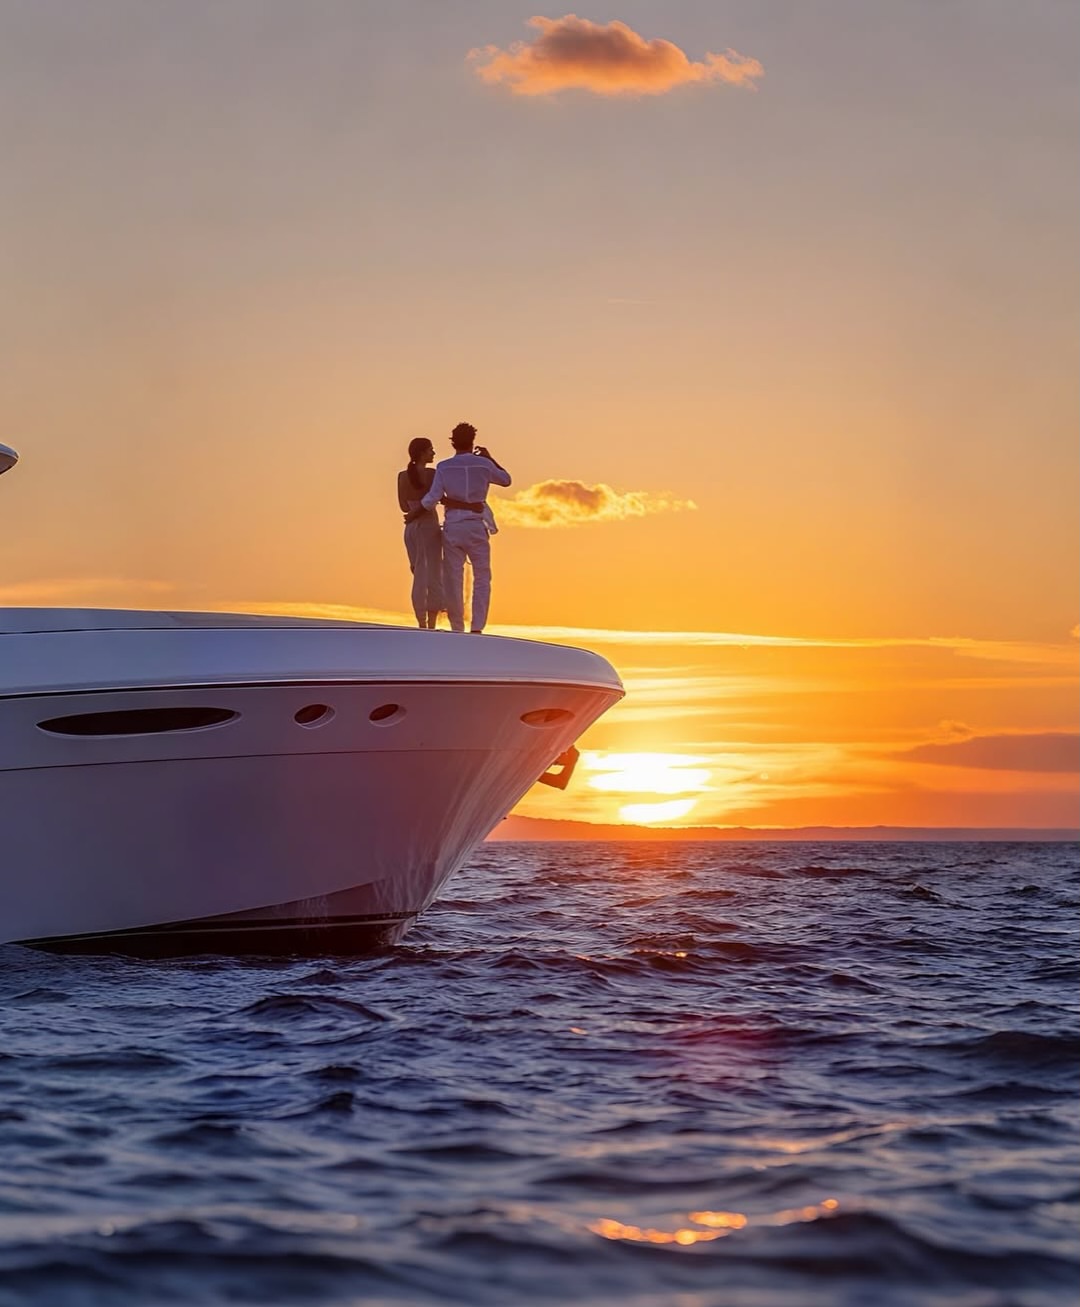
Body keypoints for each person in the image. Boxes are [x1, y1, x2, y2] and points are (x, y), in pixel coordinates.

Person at [421, 422, 511, 633]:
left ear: (453, 442)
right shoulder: (484, 465)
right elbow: (506, 480)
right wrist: (489, 458)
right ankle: (477, 626)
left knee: (453, 577)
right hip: (476, 526)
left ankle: (457, 627)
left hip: (453, 526)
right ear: (472, 441)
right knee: (482, 576)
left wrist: (417, 509)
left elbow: (431, 499)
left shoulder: (443, 467)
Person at [397, 437, 443, 629]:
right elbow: (435, 498)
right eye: (430, 450)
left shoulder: (402, 476)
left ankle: (421, 621)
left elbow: (402, 506)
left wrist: (414, 508)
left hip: (410, 530)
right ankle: (429, 623)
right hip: (428, 526)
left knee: (418, 573)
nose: (433, 453)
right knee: (433, 574)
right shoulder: (432, 474)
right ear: (422, 453)